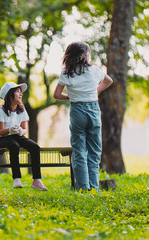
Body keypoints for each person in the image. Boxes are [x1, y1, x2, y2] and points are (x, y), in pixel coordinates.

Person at [53, 41, 113, 191]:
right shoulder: (94, 70)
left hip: (77, 110)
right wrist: (95, 91)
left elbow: (57, 95)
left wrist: (70, 96)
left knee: (79, 151)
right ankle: (95, 187)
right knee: (94, 151)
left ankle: (83, 188)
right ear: (86, 55)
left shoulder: (66, 73)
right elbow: (109, 81)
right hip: (93, 109)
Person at [0, 82, 48, 191]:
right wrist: (10, 130)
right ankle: (16, 179)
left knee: (35, 147)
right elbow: (0, 131)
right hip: (3, 138)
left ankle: (37, 180)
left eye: (20, 92)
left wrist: (20, 131)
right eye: (17, 91)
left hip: (17, 136)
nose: (20, 94)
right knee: (14, 145)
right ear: (10, 95)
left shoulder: (22, 111)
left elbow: (25, 131)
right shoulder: (1, 111)